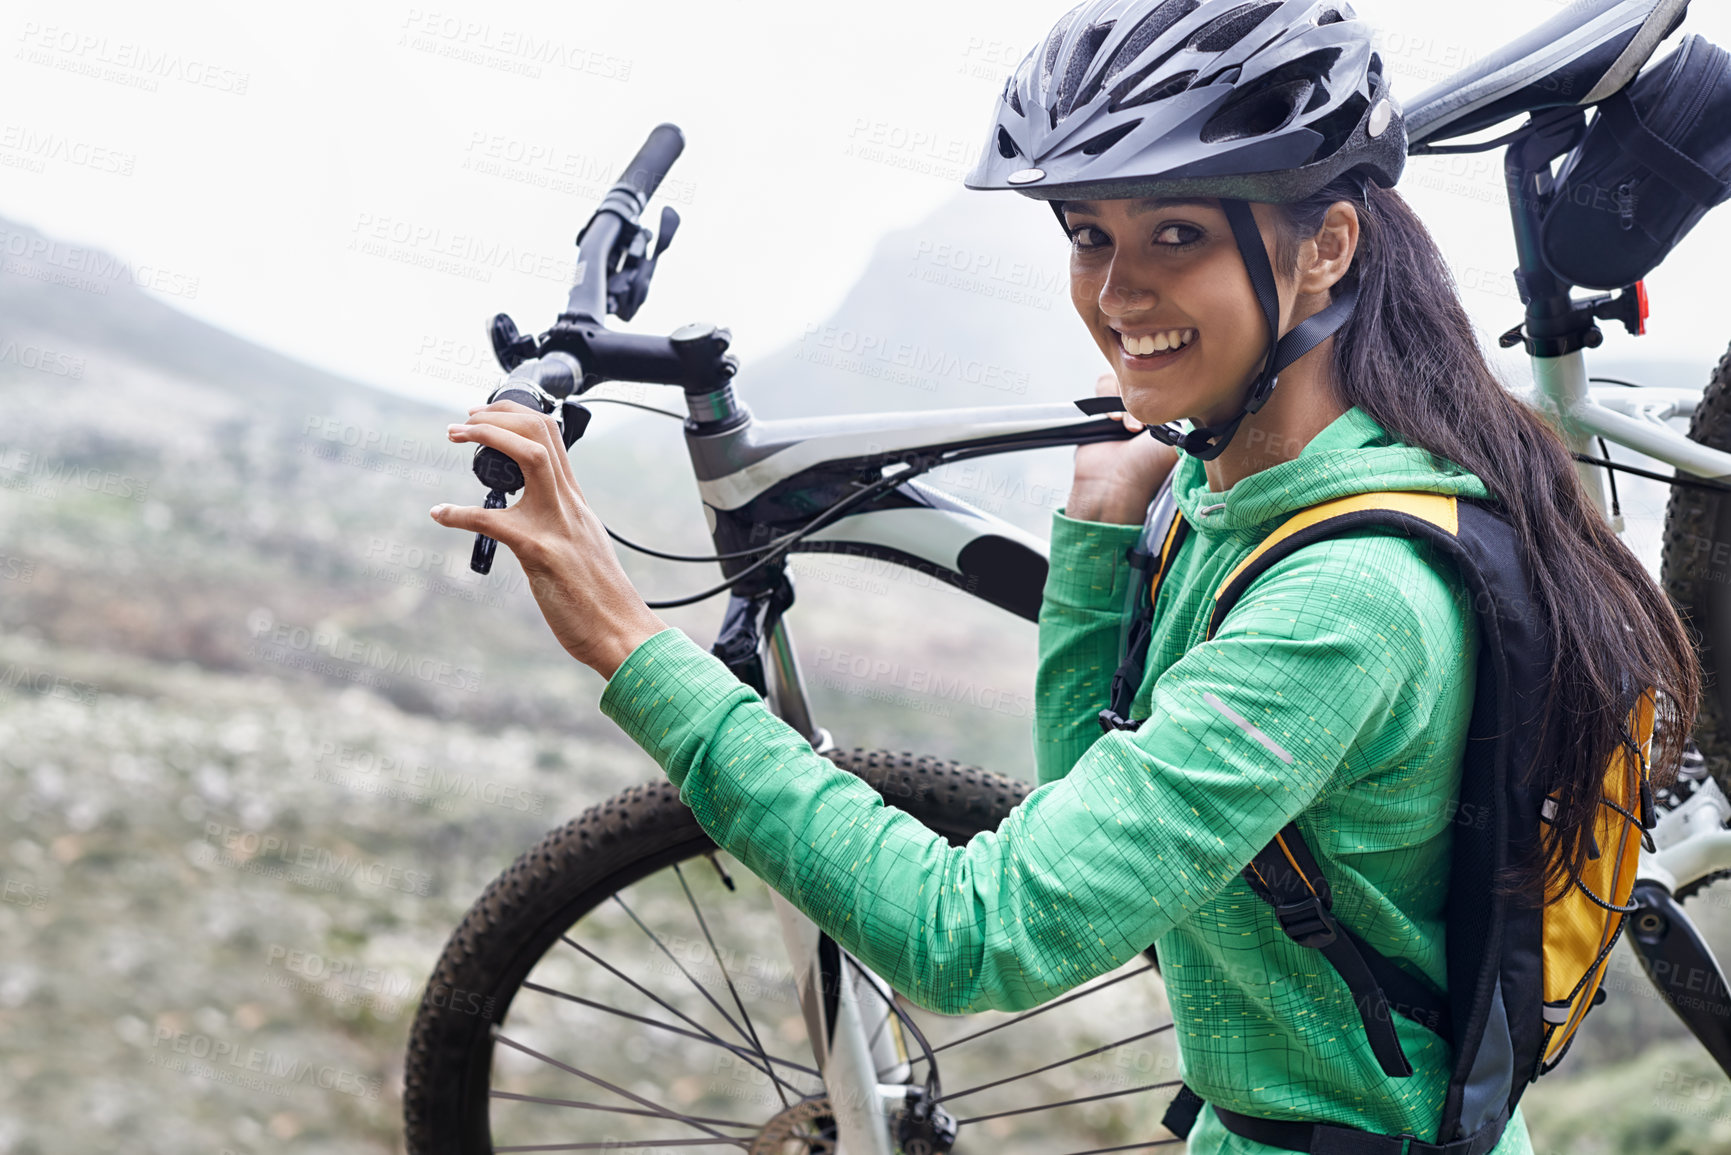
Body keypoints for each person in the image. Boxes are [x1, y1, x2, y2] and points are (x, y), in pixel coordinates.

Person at [429, 1, 1700, 1151]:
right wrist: (1098, 543)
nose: (1115, 290)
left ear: (1327, 249)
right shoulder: (1256, 486)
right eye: (1088, 234)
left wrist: (629, 646)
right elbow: (1105, 828)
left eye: (1178, 235)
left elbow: (980, 933)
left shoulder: (1349, 597)